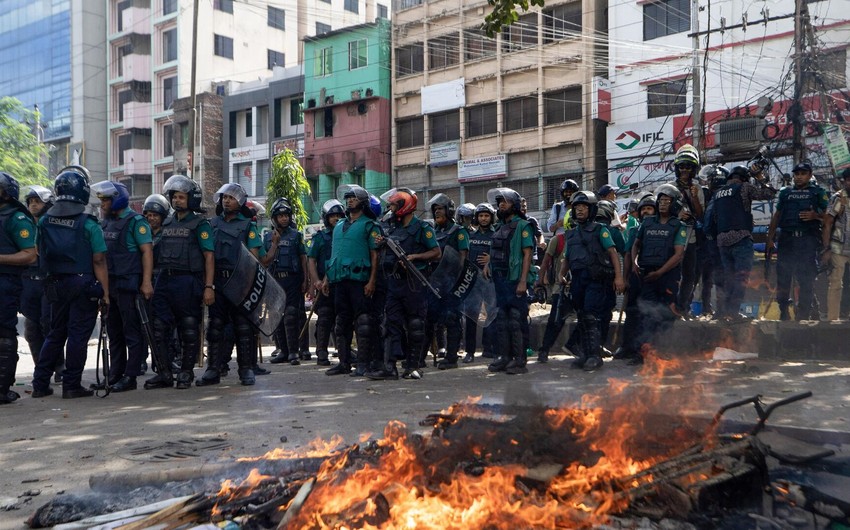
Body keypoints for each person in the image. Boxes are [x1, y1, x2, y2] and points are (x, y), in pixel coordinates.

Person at [32, 166, 109, 399]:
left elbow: (38, 250)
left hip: (55, 284)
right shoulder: (88, 224)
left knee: (56, 333)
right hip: (83, 284)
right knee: (77, 336)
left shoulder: (44, 221)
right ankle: (71, 385)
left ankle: (39, 384)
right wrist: (105, 293)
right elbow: (99, 260)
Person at [144, 175, 215, 390]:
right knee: (159, 329)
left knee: (189, 329)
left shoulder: (200, 224)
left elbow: (209, 256)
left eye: (181, 197)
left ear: (191, 199)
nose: (176, 201)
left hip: (188, 281)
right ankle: (164, 373)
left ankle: (185, 373)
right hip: (165, 280)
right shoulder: (166, 222)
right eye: (174, 197)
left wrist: (209, 287)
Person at [367, 188, 440, 380]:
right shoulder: (391, 228)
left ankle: (413, 366)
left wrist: (415, 257)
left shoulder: (422, 228)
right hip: (394, 284)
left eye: (393, 205)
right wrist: (381, 243)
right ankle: (390, 368)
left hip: (414, 284)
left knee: (415, 325)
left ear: (404, 206)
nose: (390, 208)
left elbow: (436, 253)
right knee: (391, 324)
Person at [197, 183, 264, 387]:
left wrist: (248, 286)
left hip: (240, 283)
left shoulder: (248, 226)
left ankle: (246, 370)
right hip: (217, 281)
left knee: (243, 328)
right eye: (224, 197)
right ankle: (213, 370)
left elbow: (254, 259)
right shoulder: (211, 224)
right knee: (215, 328)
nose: (226, 200)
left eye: (231, 197)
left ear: (241, 202)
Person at [91, 180, 154, 392]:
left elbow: (147, 251)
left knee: (132, 332)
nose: (102, 204)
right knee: (114, 332)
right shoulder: (105, 223)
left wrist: (146, 282)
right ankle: (114, 374)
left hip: (129, 285)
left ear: (117, 199)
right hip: (110, 285)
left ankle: (131, 375)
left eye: (106, 200)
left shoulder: (136, 221)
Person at [556, 192, 625, 371]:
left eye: (584, 207)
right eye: (577, 208)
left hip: (596, 279)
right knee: (582, 316)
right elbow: (567, 258)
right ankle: (585, 354)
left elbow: (613, 253)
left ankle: (595, 356)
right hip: (578, 280)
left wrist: (618, 277)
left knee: (591, 316)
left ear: (592, 210)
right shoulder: (571, 234)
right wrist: (561, 274)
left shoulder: (600, 230)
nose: (579, 210)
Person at [706, 165, 776, 321]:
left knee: (729, 278)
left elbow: (713, 219)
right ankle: (734, 312)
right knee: (741, 277)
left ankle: (725, 312)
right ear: (745, 178)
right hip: (741, 238)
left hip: (722, 242)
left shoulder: (717, 194)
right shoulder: (744, 187)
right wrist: (760, 177)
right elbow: (770, 194)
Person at [322, 184, 380, 376]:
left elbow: (374, 255)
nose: (349, 201)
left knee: (363, 323)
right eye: (348, 198)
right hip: (339, 281)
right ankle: (344, 363)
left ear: (363, 202)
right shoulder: (338, 225)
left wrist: (372, 280)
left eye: (353, 198)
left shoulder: (370, 225)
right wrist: (326, 279)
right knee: (341, 323)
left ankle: (363, 363)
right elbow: (335, 255)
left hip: (360, 281)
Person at [628, 184, 688, 364]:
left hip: (667, 277)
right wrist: (635, 262)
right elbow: (636, 245)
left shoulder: (679, 226)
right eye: (660, 200)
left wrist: (661, 272)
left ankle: (661, 351)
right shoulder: (647, 222)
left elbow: (679, 254)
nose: (662, 204)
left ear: (675, 204)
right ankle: (643, 353)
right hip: (648, 275)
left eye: (667, 201)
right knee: (646, 314)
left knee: (667, 314)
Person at [766, 162, 829, 321]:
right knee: (783, 278)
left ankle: (803, 314)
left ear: (809, 175)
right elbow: (777, 215)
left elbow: (829, 217)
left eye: (803, 173)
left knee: (806, 280)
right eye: (797, 173)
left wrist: (815, 216)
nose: (799, 176)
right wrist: (770, 239)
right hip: (787, 240)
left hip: (807, 241)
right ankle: (784, 311)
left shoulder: (818, 193)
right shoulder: (785, 193)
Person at [487, 187, 534, 375]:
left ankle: (519, 360)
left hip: (515, 280)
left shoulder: (523, 226)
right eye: (499, 202)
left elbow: (527, 254)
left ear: (514, 205)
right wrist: (487, 267)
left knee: (516, 320)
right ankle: (505, 357)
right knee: (502, 320)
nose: (501, 204)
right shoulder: (499, 227)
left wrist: (523, 281)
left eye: (505, 201)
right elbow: (496, 253)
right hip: (500, 281)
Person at [0, 173, 37, 404]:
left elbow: (29, 254)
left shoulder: (17, 218)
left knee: (3, 332)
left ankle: (2, 388)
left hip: (5, 282)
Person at [423, 193, 469, 370]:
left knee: (451, 319)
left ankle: (451, 358)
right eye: (434, 210)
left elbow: (463, 259)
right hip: (434, 282)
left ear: (449, 210)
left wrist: (458, 285)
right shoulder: (434, 232)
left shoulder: (459, 231)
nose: (436, 213)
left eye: (440, 209)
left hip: (452, 282)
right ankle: (421, 358)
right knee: (429, 319)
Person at [264, 198, 308, 366]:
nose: (284, 218)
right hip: (274, 281)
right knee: (276, 316)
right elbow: (264, 260)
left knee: (291, 315)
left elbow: (303, 258)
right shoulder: (268, 237)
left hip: (293, 281)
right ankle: (282, 351)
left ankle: (294, 352)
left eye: (286, 215)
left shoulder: (296, 236)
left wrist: (306, 280)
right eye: (280, 216)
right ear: (274, 218)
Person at [20, 185, 58, 377]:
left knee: (49, 325)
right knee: (31, 329)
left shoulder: (53, 224)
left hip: (48, 280)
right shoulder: (22, 224)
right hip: (28, 282)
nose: (33, 205)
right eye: (31, 202)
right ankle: (42, 369)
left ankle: (60, 367)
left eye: (37, 201)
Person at [307, 199, 345, 366]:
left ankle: (344, 351)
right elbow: (311, 259)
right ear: (326, 218)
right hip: (324, 284)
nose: (336, 219)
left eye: (339, 215)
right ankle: (321, 351)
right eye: (332, 216)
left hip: (342, 281)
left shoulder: (346, 234)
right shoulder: (320, 237)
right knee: (324, 317)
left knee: (343, 318)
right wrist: (315, 281)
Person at [670, 145, 705, 317]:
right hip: (672, 239)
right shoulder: (668, 188)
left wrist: (693, 197)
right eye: (682, 166)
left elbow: (700, 215)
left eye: (688, 167)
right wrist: (677, 214)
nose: (685, 170)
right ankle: (670, 308)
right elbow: (660, 210)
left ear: (694, 169)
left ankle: (683, 308)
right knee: (672, 275)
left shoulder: (698, 188)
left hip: (691, 239)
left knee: (690, 276)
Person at [463, 202, 497, 363]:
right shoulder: (470, 236)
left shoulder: (496, 235)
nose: (483, 219)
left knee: (491, 315)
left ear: (491, 217)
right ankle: (469, 352)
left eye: (487, 215)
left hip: (490, 282)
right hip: (472, 282)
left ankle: (489, 348)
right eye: (481, 216)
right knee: (471, 317)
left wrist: (492, 259)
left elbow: (504, 253)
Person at [821, 168, 850, 321]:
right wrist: (826, 248)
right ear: (844, 181)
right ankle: (833, 320)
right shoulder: (838, 198)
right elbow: (827, 223)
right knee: (836, 284)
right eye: (849, 179)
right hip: (838, 248)